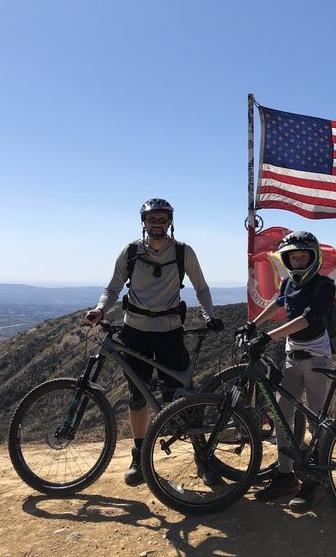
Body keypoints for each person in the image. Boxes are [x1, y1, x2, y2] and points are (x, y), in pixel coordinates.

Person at [84, 198, 224, 486]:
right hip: (134, 332)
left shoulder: (184, 252)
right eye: (152, 219)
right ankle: (138, 456)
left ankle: (202, 456)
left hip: (170, 331)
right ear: (144, 222)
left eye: (163, 219)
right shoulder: (131, 252)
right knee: (137, 397)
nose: (157, 224)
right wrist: (100, 309)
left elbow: (202, 288)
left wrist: (209, 316)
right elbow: (112, 287)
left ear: (170, 221)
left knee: (184, 397)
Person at [236, 231, 336, 512]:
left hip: (317, 359)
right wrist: (253, 324)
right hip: (292, 357)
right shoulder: (288, 283)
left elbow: (306, 319)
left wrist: (268, 337)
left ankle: (317, 482)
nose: (299, 261)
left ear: (313, 258)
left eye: (304, 256)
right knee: (282, 414)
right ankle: (285, 475)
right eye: (293, 257)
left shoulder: (324, 286)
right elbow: (277, 303)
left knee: (318, 420)